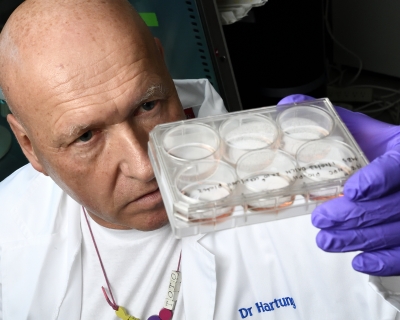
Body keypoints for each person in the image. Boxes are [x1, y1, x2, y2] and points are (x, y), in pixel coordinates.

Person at [0, 0, 399, 319]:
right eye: (86, 136)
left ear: (163, 65)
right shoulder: (9, 239)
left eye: (148, 105)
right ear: (29, 145)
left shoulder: (310, 186)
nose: (143, 166)